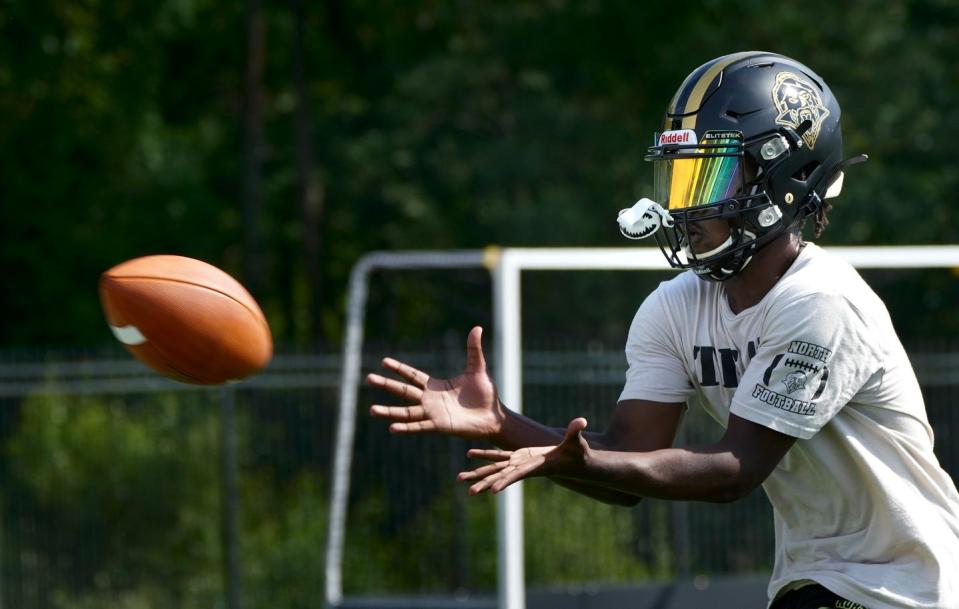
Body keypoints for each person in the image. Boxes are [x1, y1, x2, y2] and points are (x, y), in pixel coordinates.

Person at [367, 51, 959, 609]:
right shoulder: (675, 306)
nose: (684, 207)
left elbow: (734, 469)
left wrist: (572, 459)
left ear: (784, 177)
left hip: (912, 587)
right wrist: (505, 425)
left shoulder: (820, 301)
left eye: (711, 179)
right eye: (680, 181)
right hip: (818, 581)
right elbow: (631, 464)